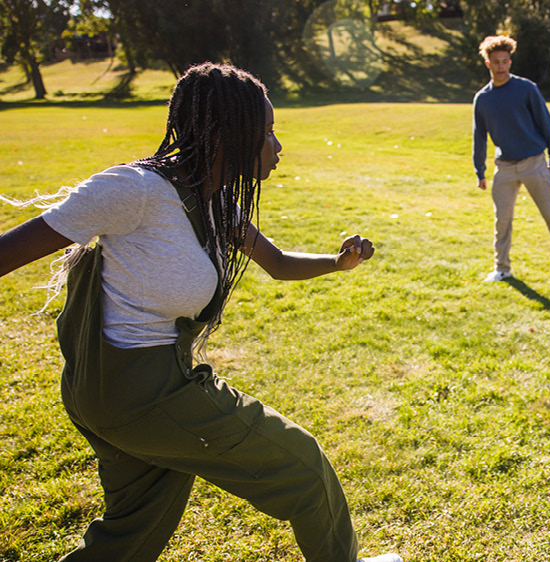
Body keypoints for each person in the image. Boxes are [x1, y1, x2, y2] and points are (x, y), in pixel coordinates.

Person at [0, 63, 400, 562]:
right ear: (225, 132)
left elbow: (276, 263)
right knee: (305, 469)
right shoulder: (137, 190)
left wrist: (340, 263)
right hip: (141, 390)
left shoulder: (209, 199)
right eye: (267, 132)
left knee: (132, 533)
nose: (277, 146)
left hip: (113, 393)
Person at [472, 35, 550, 282]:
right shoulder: (482, 99)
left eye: (505, 61)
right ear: (488, 64)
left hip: (534, 162)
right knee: (502, 221)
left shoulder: (526, 89)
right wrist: (479, 171)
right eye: (496, 62)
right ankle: (502, 268)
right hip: (504, 168)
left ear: (510, 62)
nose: (501, 66)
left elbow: (546, 123)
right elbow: (479, 137)